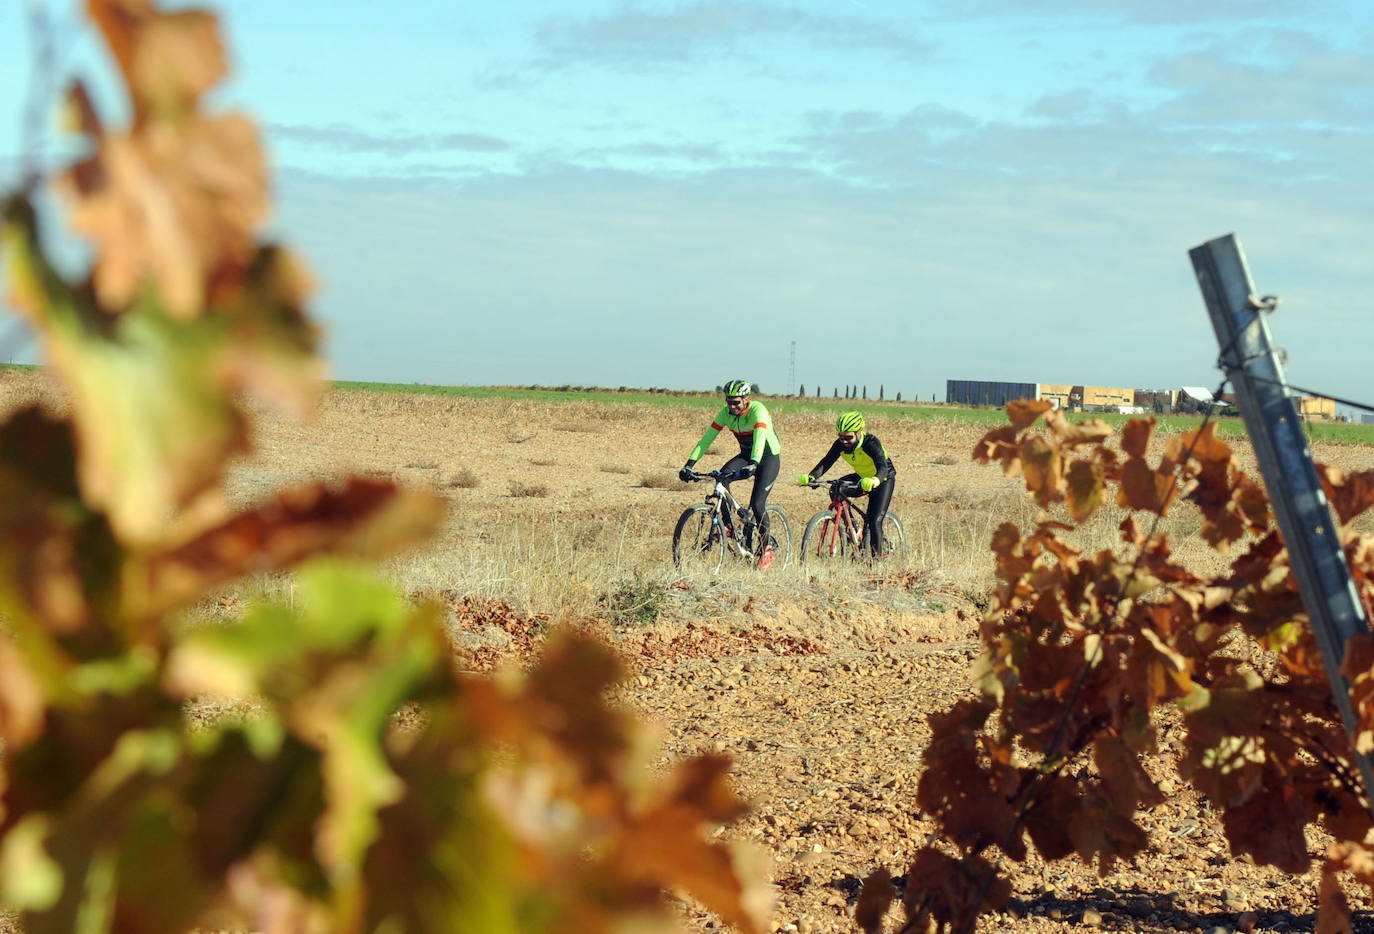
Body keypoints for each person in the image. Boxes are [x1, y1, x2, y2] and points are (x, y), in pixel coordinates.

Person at [679, 379, 782, 568]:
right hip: (747, 456)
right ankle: (727, 527)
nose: (732, 406)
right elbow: (706, 440)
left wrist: (754, 463)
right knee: (722, 478)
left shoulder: (757, 410)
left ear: (746, 399)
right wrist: (689, 465)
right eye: (728, 401)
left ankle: (767, 547)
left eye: (736, 402)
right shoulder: (725, 413)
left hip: (767, 458)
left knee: (757, 504)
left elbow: (760, 439)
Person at [796, 411, 896, 557]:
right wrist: (812, 476)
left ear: (859, 433)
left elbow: (883, 467)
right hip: (862, 477)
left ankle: (878, 560)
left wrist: (875, 480)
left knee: (874, 521)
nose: (844, 441)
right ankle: (852, 526)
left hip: (883, 479)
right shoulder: (840, 445)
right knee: (836, 488)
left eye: (848, 437)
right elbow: (826, 462)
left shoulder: (871, 443)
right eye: (841, 437)